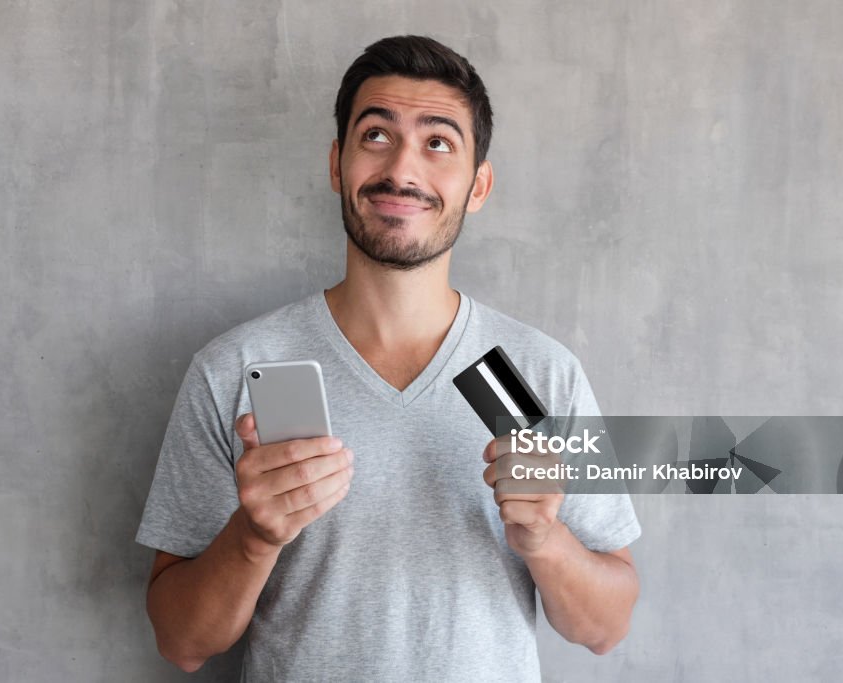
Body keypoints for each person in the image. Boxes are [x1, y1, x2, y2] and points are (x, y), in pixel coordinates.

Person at [135, 35, 641, 681]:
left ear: (478, 184)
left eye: (438, 143)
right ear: (335, 165)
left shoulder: (544, 375)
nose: (402, 171)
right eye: (376, 135)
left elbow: (605, 627)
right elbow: (181, 642)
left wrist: (547, 539)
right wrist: (254, 536)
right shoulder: (233, 368)